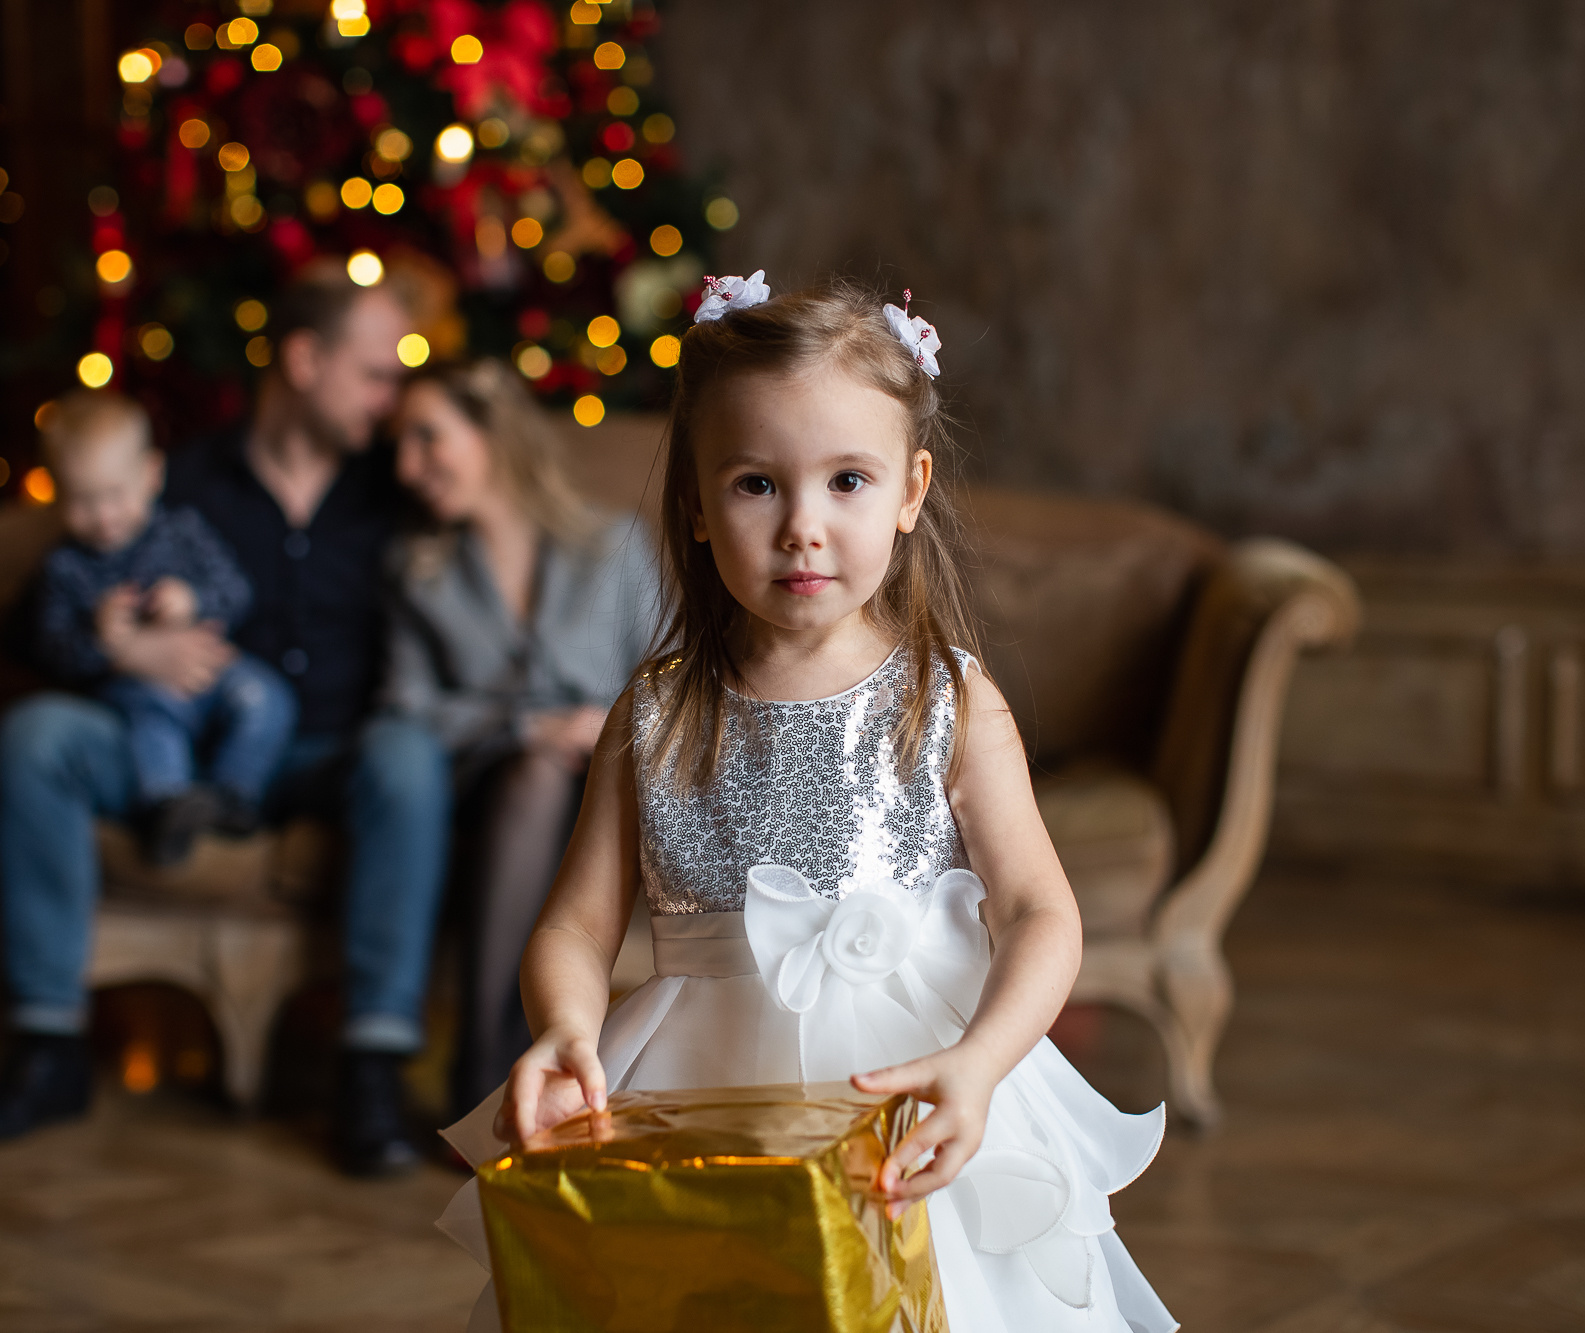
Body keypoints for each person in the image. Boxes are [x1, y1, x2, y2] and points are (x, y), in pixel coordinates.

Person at [438, 276, 1175, 1332]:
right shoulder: (650, 713)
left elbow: (1040, 915)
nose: (801, 527)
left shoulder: (945, 698)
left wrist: (977, 1064)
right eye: (754, 485)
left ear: (909, 490)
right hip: (706, 1090)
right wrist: (563, 1023)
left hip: (912, 1096)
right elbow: (573, 923)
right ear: (693, 502)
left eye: (846, 480)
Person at [0, 268, 444, 1174]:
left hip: (328, 753)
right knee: (37, 736)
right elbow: (27, 622)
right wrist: (118, 651)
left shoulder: (396, 490)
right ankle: (47, 1043)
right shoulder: (174, 483)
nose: (391, 395)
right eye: (376, 373)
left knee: (409, 757)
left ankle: (372, 1066)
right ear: (303, 359)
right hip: (171, 747)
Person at [372, 358, 658, 1116]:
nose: (407, 467)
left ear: (493, 432)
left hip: (611, 780)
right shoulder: (419, 569)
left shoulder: (616, 544)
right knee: (532, 774)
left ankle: (491, 1065)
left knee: (552, 776)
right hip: (485, 784)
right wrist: (528, 726)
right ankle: (483, 1060)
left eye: (428, 438)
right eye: (400, 445)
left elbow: (675, 672)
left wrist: (608, 724)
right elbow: (405, 707)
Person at [28, 391, 296, 866]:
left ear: (152, 475)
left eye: (115, 495)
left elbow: (236, 592)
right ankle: (167, 805)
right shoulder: (66, 567)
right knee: (151, 721)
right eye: (83, 502)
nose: (104, 518)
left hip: (211, 671)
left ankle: (232, 797)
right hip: (137, 690)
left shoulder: (182, 532)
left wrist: (192, 600)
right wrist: (103, 639)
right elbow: (53, 649)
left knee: (268, 698)